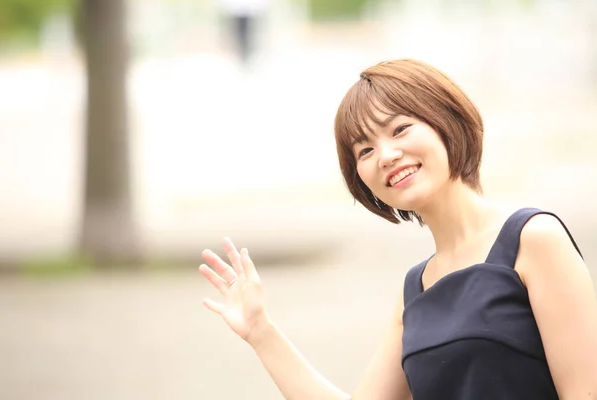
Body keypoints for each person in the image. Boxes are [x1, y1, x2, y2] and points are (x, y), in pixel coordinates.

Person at [198, 59, 597, 399]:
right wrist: (261, 332)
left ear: (445, 120)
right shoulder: (415, 291)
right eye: (365, 150)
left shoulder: (534, 240)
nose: (387, 155)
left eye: (400, 129)